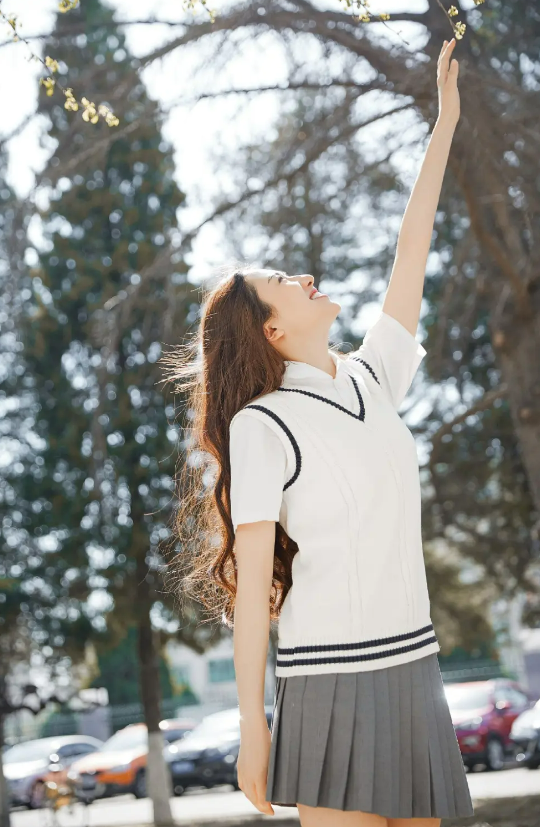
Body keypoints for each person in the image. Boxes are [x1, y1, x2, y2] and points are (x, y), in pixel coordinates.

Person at [165, 38, 473, 827]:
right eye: (282, 282)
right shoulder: (264, 426)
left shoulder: (374, 377)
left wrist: (443, 127)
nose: (304, 276)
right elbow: (256, 592)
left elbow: (413, 249)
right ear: (269, 330)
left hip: (413, 669)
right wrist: (254, 730)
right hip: (328, 682)